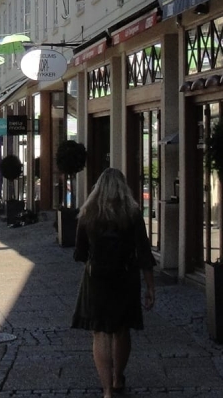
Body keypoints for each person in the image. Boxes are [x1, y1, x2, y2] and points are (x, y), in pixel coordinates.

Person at [70, 167, 156, 397]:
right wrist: (150, 286)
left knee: (100, 332)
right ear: (123, 188)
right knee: (121, 329)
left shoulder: (88, 213)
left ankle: (107, 391)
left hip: (96, 278)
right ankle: (118, 378)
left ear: (97, 189)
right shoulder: (132, 212)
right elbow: (144, 253)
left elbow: (79, 253)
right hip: (125, 278)